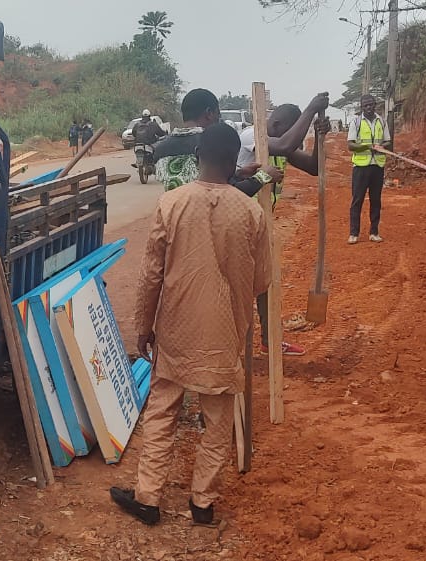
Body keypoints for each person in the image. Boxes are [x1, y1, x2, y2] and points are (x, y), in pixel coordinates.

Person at [111, 123, 270, 527]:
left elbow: (151, 274)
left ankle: (148, 497)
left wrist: (143, 326)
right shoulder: (251, 211)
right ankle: (203, 503)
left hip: (176, 329)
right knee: (217, 421)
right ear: (234, 162)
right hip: (225, 332)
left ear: (198, 155)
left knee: (162, 410)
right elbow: (261, 280)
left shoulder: (172, 203)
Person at [237, 95, 331, 357]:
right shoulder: (251, 135)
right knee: (239, 287)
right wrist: (311, 109)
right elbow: (287, 143)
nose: (295, 141)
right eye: (292, 131)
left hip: (259, 225)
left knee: (266, 285)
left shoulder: (278, 143)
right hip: (238, 224)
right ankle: (232, 346)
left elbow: (313, 167)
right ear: (277, 124)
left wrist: (319, 137)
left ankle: (270, 341)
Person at [151, 88, 281, 193]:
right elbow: (224, 194)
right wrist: (262, 177)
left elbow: (195, 180)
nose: (218, 120)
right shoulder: (212, 143)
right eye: (218, 114)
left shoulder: (161, 149)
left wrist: (238, 174)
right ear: (209, 113)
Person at [347, 94, 392, 244]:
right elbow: (350, 145)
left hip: (377, 166)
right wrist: (366, 147)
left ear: (375, 105)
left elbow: (388, 142)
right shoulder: (356, 122)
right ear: (361, 107)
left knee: (376, 200)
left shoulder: (382, 121)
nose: (369, 107)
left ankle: (374, 232)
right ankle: (354, 233)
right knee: (357, 200)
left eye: (371, 104)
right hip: (360, 167)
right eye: (365, 105)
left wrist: (381, 146)